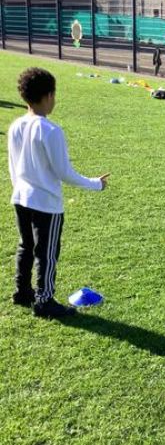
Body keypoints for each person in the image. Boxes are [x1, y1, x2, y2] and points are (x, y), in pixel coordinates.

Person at [8, 67, 110, 318]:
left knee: (26, 246)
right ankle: (44, 301)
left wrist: (20, 189)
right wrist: (96, 183)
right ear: (48, 96)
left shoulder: (16, 126)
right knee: (47, 253)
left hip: (21, 197)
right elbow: (64, 172)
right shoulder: (50, 130)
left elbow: (13, 166)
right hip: (46, 204)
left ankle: (22, 292)